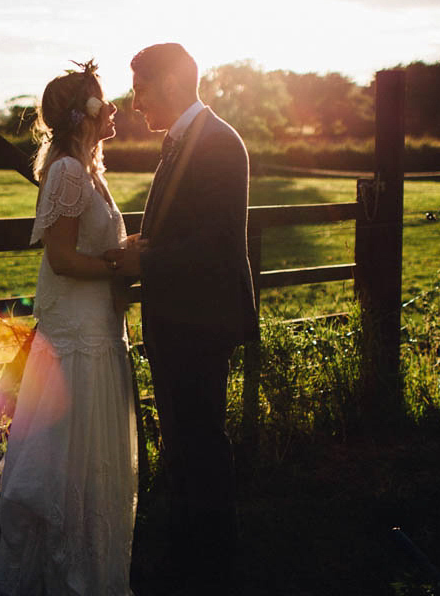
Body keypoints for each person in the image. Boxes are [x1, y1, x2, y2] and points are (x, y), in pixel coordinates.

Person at [0, 61, 138, 596]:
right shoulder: (69, 171)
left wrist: (119, 256)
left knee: (91, 453)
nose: (113, 108)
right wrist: (122, 265)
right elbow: (64, 259)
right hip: (77, 337)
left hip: (96, 326)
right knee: (68, 453)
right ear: (86, 113)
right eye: (105, 100)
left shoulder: (88, 169)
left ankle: (88, 563)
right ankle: (65, 569)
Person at [107, 42, 259, 591]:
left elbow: (217, 245)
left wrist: (144, 258)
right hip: (180, 317)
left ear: (171, 84)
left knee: (200, 443)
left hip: (201, 319)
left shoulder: (217, 143)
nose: (134, 101)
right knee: (185, 440)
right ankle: (192, 553)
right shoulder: (184, 139)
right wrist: (147, 244)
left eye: (141, 88)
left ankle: (209, 565)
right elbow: (186, 229)